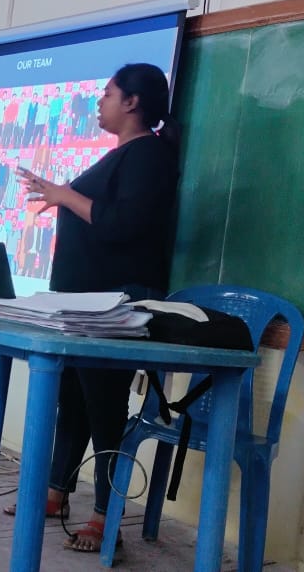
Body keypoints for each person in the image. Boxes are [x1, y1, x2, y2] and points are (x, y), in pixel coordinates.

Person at [11, 63, 181, 553]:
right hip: (82, 302)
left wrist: (65, 196)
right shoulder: (123, 155)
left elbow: (122, 225)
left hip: (114, 303)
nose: (99, 102)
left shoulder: (149, 154)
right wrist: (64, 198)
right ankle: (57, 491)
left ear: (132, 102)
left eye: (107, 93)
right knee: (72, 396)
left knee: (105, 404)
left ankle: (107, 515)